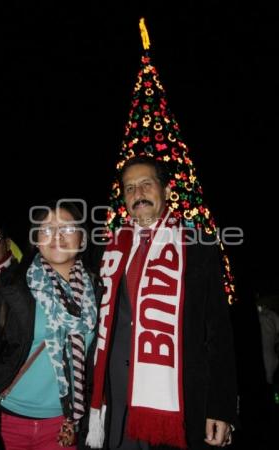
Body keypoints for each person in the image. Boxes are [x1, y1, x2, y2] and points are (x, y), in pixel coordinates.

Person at [83, 156, 237, 450]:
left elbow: (219, 334)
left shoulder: (198, 247)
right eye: (129, 188)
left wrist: (221, 406)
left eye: (145, 184)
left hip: (177, 403)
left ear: (166, 191)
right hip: (115, 400)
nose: (137, 194)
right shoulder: (106, 250)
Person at [0, 200, 100, 450]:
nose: (57, 236)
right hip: (7, 423)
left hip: (63, 425)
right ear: (35, 239)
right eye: (46, 229)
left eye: (67, 229)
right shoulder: (10, 288)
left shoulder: (98, 291)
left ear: (82, 238)